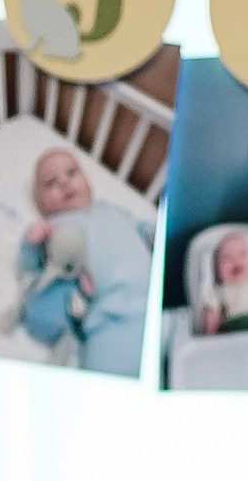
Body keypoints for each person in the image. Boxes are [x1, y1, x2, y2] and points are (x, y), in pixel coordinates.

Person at [15, 136, 153, 364]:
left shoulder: (112, 210)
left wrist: (153, 236)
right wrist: (31, 242)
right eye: (51, 183)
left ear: (88, 181)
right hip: (109, 319)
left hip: (155, 299)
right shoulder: (55, 228)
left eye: (72, 173)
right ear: (40, 205)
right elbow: (32, 270)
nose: (64, 183)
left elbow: (140, 229)